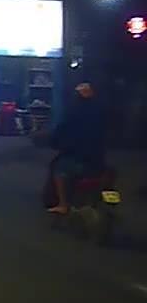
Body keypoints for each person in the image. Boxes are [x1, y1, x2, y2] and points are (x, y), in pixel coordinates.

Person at [46, 82, 107, 214]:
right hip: (98, 161)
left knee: (59, 168)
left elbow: (61, 133)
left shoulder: (74, 112)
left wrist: (55, 142)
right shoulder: (100, 110)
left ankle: (63, 205)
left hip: (81, 161)